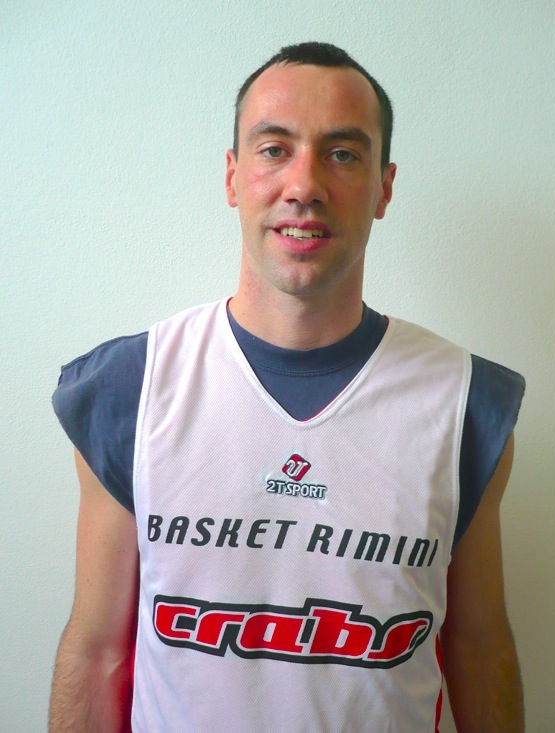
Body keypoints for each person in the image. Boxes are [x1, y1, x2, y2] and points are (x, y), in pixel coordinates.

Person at [49, 42, 525, 732]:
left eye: (342, 153)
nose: (304, 185)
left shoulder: (468, 403)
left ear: (384, 188)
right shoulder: (129, 387)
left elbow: (480, 648)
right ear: (232, 176)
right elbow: (96, 654)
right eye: (274, 149)